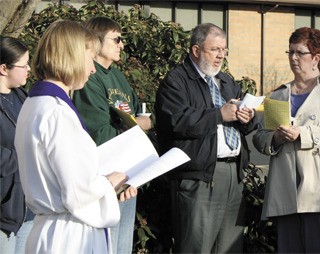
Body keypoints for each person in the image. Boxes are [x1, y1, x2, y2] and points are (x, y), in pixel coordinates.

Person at [14, 20, 137, 253]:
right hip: (69, 237)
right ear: (72, 57)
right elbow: (78, 194)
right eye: (90, 60)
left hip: (57, 229)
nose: (92, 69)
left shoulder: (36, 103)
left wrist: (110, 190)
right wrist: (110, 182)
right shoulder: (57, 113)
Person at [253, 27, 320, 253]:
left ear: (317, 58)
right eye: (290, 52)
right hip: (286, 188)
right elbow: (261, 138)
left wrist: (303, 133)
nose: (293, 58)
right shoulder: (279, 94)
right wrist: (276, 137)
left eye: (300, 53)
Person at [154, 23, 258, 253]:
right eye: (215, 49)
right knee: (196, 247)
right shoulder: (177, 80)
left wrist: (247, 116)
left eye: (224, 50)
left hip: (234, 175)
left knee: (229, 247)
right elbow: (176, 121)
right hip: (199, 177)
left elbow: (252, 123)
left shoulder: (227, 81)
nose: (221, 55)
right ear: (196, 50)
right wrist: (219, 115)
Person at [72, 16, 151, 254]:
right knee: (107, 246)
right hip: (105, 174)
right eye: (116, 39)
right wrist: (138, 125)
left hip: (127, 171)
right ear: (96, 41)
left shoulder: (116, 75)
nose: (122, 45)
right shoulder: (90, 79)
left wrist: (140, 122)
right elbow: (100, 132)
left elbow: (140, 110)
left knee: (122, 245)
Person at [0, 37, 34, 254]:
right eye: (23, 65)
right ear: (4, 68)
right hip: (3, 215)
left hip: (27, 210)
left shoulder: (22, 96)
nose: (29, 69)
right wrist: (26, 155)